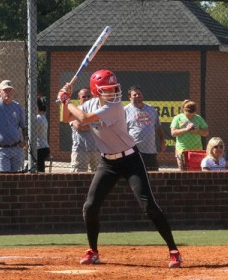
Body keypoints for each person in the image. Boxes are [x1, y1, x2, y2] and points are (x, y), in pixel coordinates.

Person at [58, 69, 182, 268]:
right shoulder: (89, 103)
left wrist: (67, 101)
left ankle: (174, 250)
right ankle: (93, 251)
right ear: (96, 91)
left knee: (148, 206)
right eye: (107, 89)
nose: (114, 92)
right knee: (90, 206)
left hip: (130, 159)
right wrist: (66, 99)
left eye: (115, 88)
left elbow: (82, 117)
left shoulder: (114, 107)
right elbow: (67, 118)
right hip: (107, 162)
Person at [124, 86, 166, 171]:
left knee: (153, 175)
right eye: (134, 94)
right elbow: (122, 131)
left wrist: (162, 140)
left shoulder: (151, 109)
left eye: (139, 94)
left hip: (151, 151)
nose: (137, 96)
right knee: (136, 175)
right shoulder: (125, 110)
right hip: (134, 150)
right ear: (129, 97)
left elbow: (158, 126)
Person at [170, 100, 209, 170]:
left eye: (192, 113)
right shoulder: (177, 118)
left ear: (195, 111)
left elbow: (206, 132)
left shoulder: (198, 118)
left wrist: (197, 131)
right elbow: (173, 133)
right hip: (182, 149)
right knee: (183, 170)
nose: (190, 115)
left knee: (196, 170)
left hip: (197, 149)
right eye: (188, 113)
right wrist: (186, 130)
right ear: (183, 110)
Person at [69, 88, 99, 172]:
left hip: (96, 149)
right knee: (77, 177)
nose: (86, 98)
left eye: (89, 96)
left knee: (98, 176)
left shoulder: (96, 110)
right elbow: (79, 126)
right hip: (80, 149)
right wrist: (92, 122)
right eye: (84, 97)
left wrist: (85, 122)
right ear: (79, 98)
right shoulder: (75, 110)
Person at [35, 96, 50, 172]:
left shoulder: (38, 118)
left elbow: (34, 132)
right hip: (44, 146)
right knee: (39, 168)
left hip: (39, 148)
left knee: (38, 170)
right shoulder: (43, 117)